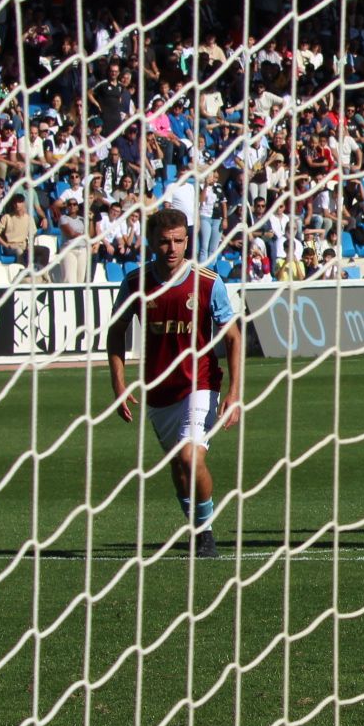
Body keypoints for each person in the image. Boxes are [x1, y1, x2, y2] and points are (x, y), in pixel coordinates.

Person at [105, 208, 245, 558]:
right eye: (165, 241)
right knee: (180, 469)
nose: (172, 248)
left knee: (190, 457)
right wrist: (118, 384)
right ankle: (198, 529)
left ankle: (206, 533)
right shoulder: (136, 283)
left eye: (179, 241)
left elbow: (233, 338)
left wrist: (234, 393)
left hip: (201, 383)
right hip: (158, 390)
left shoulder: (208, 282)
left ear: (187, 241)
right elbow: (115, 333)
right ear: (151, 242)